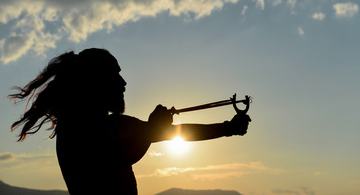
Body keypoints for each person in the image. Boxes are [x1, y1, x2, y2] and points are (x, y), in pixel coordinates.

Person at [9, 48, 251, 195]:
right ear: (95, 81)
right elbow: (117, 156)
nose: (124, 83)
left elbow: (178, 132)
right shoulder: (75, 129)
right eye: (115, 75)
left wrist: (228, 128)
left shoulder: (112, 125)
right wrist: (152, 129)